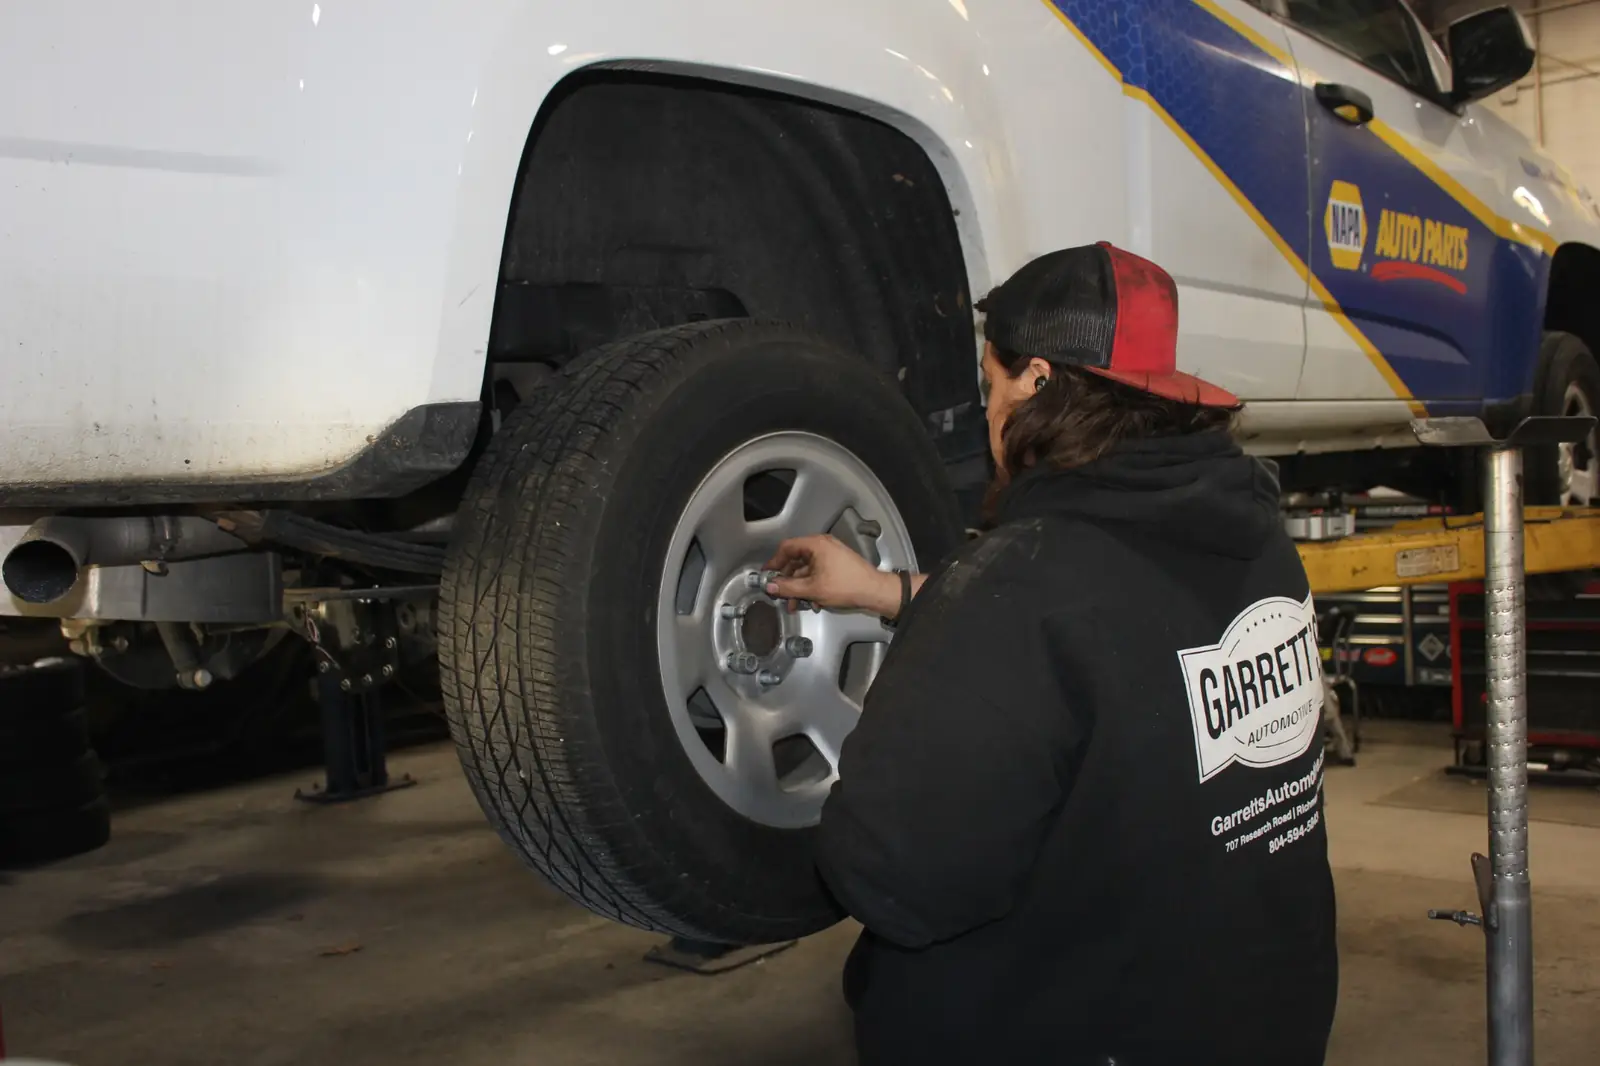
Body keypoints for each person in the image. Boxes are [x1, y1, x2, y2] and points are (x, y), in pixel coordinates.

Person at [764, 243, 1338, 1066]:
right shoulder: (1256, 547)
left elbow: (894, 879)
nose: (987, 407)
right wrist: (887, 592)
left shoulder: (1020, 587)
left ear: (1035, 382)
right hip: (1259, 1017)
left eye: (989, 382)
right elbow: (1113, 634)